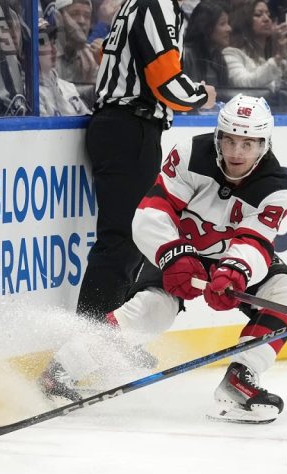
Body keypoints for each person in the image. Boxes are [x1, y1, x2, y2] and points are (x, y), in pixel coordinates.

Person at [42, 95, 287, 425]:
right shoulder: (190, 155)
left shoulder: (275, 187)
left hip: (229, 257)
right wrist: (172, 254)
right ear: (218, 137)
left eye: (249, 144)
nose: (237, 152)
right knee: (153, 311)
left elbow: (254, 241)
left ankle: (241, 378)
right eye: (230, 140)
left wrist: (233, 273)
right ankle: (62, 370)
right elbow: (152, 211)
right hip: (179, 250)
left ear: (264, 144)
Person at [73, 0, 216, 323]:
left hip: (124, 126)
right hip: (130, 127)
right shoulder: (158, 4)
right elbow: (165, 81)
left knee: (126, 239)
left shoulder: (140, 3)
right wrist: (200, 94)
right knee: (122, 239)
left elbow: (120, 61)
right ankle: (86, 344)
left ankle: (103, 338)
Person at [222, 0, 287, 111]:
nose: (266, 19)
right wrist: (277, 59)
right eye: (258, 15)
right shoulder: (232, 54)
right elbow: (244, 85)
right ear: (244, 20)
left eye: (268, 14)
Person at [38, 18, 91, 116]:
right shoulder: (31, 96)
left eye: (53, 43)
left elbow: (87, 119)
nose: (53, 49)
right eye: (45, 44)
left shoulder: (68, 88)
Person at [182, 0, 231, 91]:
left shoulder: (218, 57)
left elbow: (225, 95)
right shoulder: (185, 55)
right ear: (206, 27)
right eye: (222, 23)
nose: (229, 29)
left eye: (228, 23)